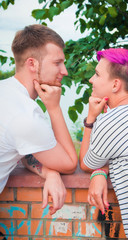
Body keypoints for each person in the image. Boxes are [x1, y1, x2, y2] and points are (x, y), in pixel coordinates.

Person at [79, 48, 128, 239]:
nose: (91, 79)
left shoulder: (112, 123)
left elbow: (86, 163)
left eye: (97, 74)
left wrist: (91, 118)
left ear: (115, 84)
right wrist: (102, 170)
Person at [0, 24, 78, 214]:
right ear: (32, 64)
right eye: (57, 62)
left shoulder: (5, 91)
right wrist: (54, 108)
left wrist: (50, 171)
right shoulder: (25, 114)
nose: (65, 71)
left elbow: (25, 151)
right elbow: (69, 163)